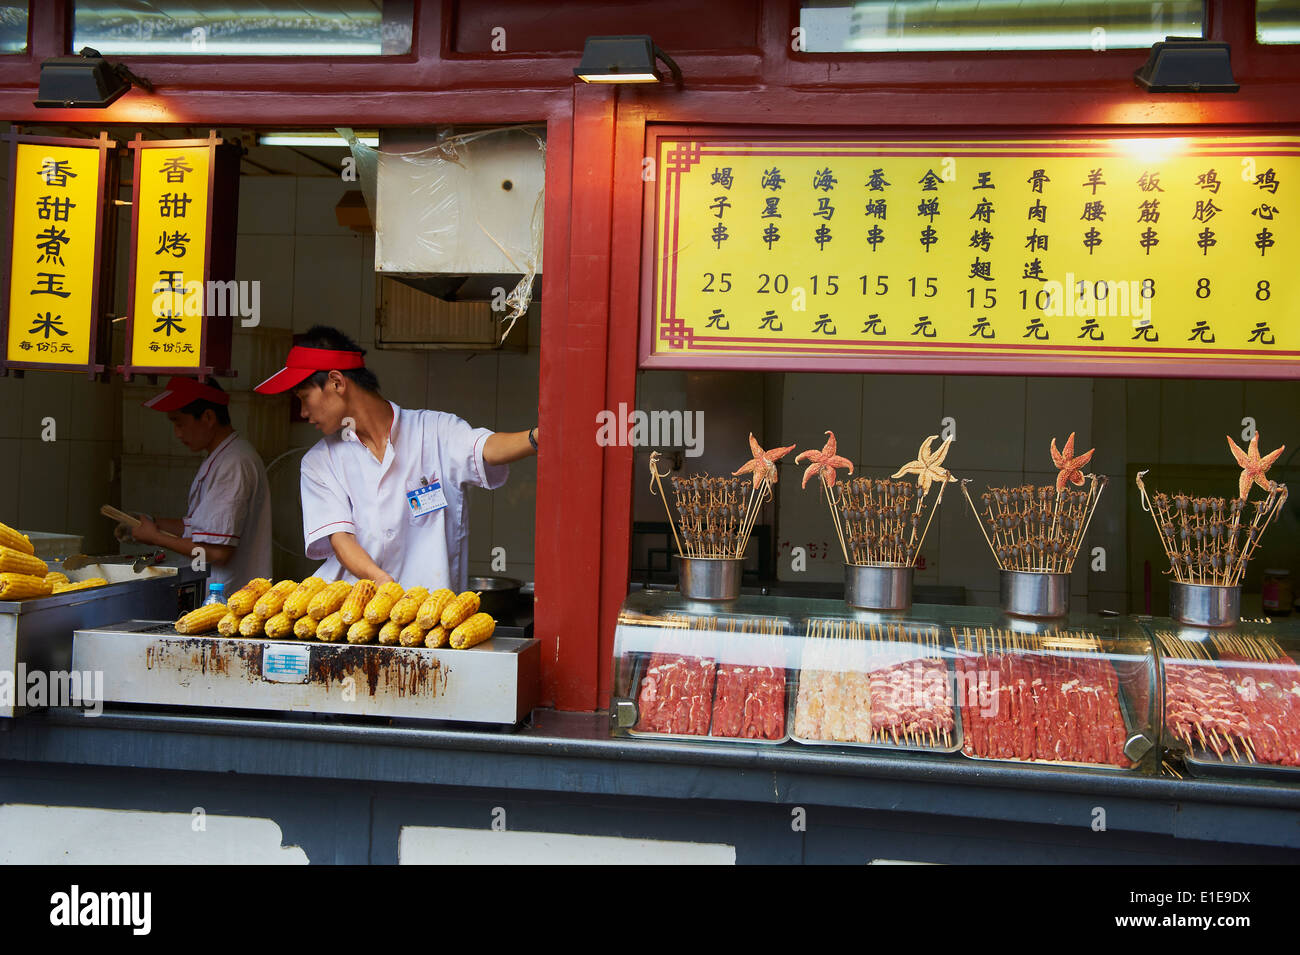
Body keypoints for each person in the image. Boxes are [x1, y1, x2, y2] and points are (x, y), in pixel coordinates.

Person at [253, 326, 537, 592]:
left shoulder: (435, 430)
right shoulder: (319, 461)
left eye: (304, 397)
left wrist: (538, 437)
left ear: (337, 382)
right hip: (356, 613)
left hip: (430, 615)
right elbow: (341, 539)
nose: (303, 412)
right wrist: (386, 587)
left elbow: (487, 448)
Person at [120, 376, 273, 591]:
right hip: (215, 596)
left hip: (229, 599)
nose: (177, 433)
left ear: (208, 417)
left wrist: (156, 537)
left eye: (179, 423)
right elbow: (200, 529)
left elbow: (217, 552)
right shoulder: (221, 457)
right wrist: (152, 523)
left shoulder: (234, 463)